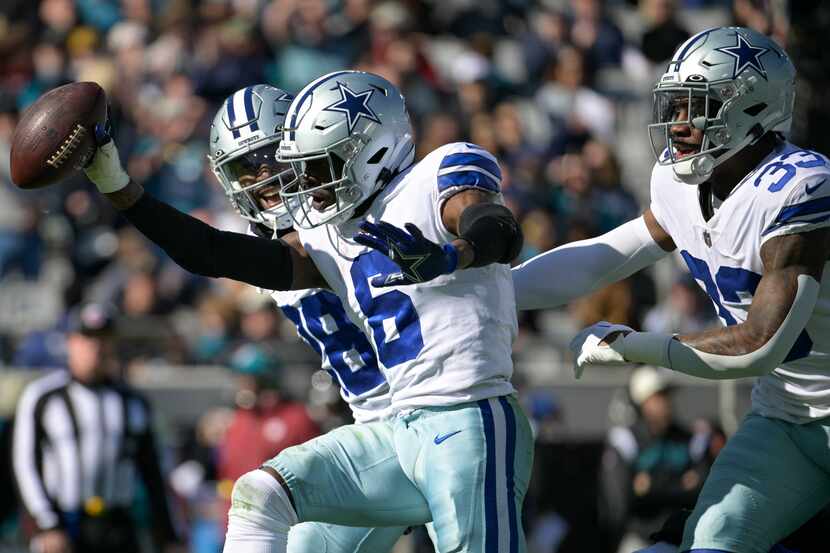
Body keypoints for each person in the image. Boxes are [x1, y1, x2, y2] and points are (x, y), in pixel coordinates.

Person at [83, 73, 529, 553]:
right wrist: (121, 189)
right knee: (262, 496)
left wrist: (456, 255)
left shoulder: (409, 194)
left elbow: (501, 244)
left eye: (272, 161)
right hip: (380, 433)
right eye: (246, 171)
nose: (266, 182)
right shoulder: (317, 240)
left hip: (456, 415)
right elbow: (210, 252)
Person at [511, 26, 830, 553]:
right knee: (713, 539)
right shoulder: (680, 183)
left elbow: (760, 344)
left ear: (751, 109)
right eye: (676, 105)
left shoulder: (799, 185)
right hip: (787, 417)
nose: (679, 123)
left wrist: (632, 347)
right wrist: (495, 291)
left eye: (697, 107)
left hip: (788, 393)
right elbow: (605, 255)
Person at [11, 303, 180, 553]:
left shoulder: (133, 403)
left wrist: (169, 536)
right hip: (65, 522)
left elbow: (154, 473)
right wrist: (45, 525)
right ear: (70, 342)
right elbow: (25, 466)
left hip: (118, 525)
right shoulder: (43, 397)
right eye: (86, 339)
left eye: (103, 340)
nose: (95, 347)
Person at [599, 367, 705, 553]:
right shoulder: (626, 439)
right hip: (641, 538)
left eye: (667, 395)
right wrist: (679, 484)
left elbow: (701, 488)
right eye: (659, 395)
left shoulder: (687, 438)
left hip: (682, 538)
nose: (666, 402)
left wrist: (650, 485)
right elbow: (620, 500)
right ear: (642, 401)